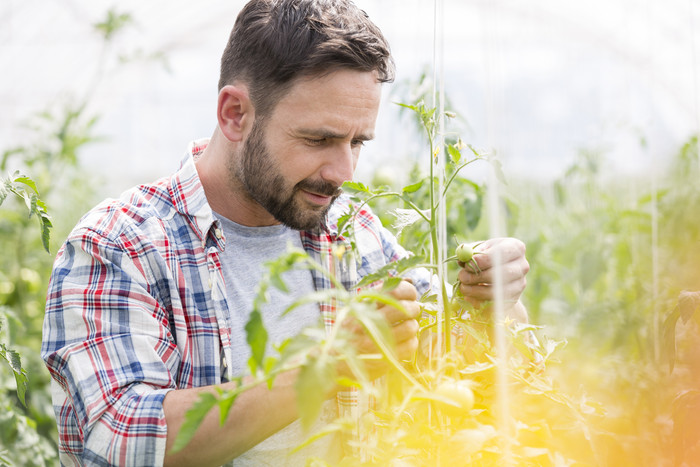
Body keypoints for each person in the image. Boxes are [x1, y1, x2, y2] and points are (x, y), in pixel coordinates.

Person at [41, 0, 530, 465]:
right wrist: (325, 365)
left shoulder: (351, 231)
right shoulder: (120, 244)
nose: (343, 171)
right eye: (319, 139)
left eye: (357, 142)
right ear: (235, 114)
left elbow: (458, 357)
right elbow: (123, 435)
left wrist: (492, 298)